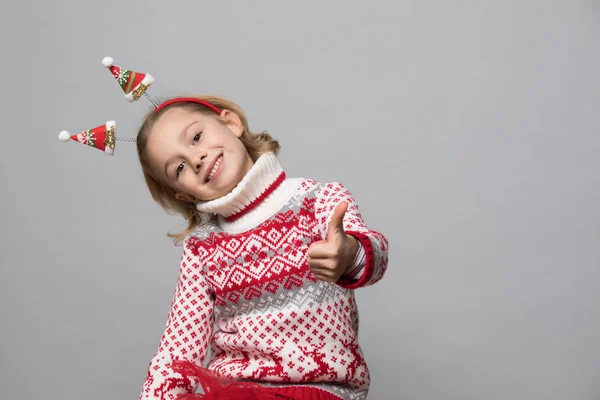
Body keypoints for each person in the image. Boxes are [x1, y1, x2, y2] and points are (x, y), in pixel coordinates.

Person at [135, 95, 389, 400]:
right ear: (185, 196)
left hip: (320, 389)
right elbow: (179, 345)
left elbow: (376, 253)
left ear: (232, 122)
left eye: (197, 137)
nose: (196, 159)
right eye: (178, 168)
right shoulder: (203, 248)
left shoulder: (317, 201)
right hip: (233, 391)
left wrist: (349, 254)